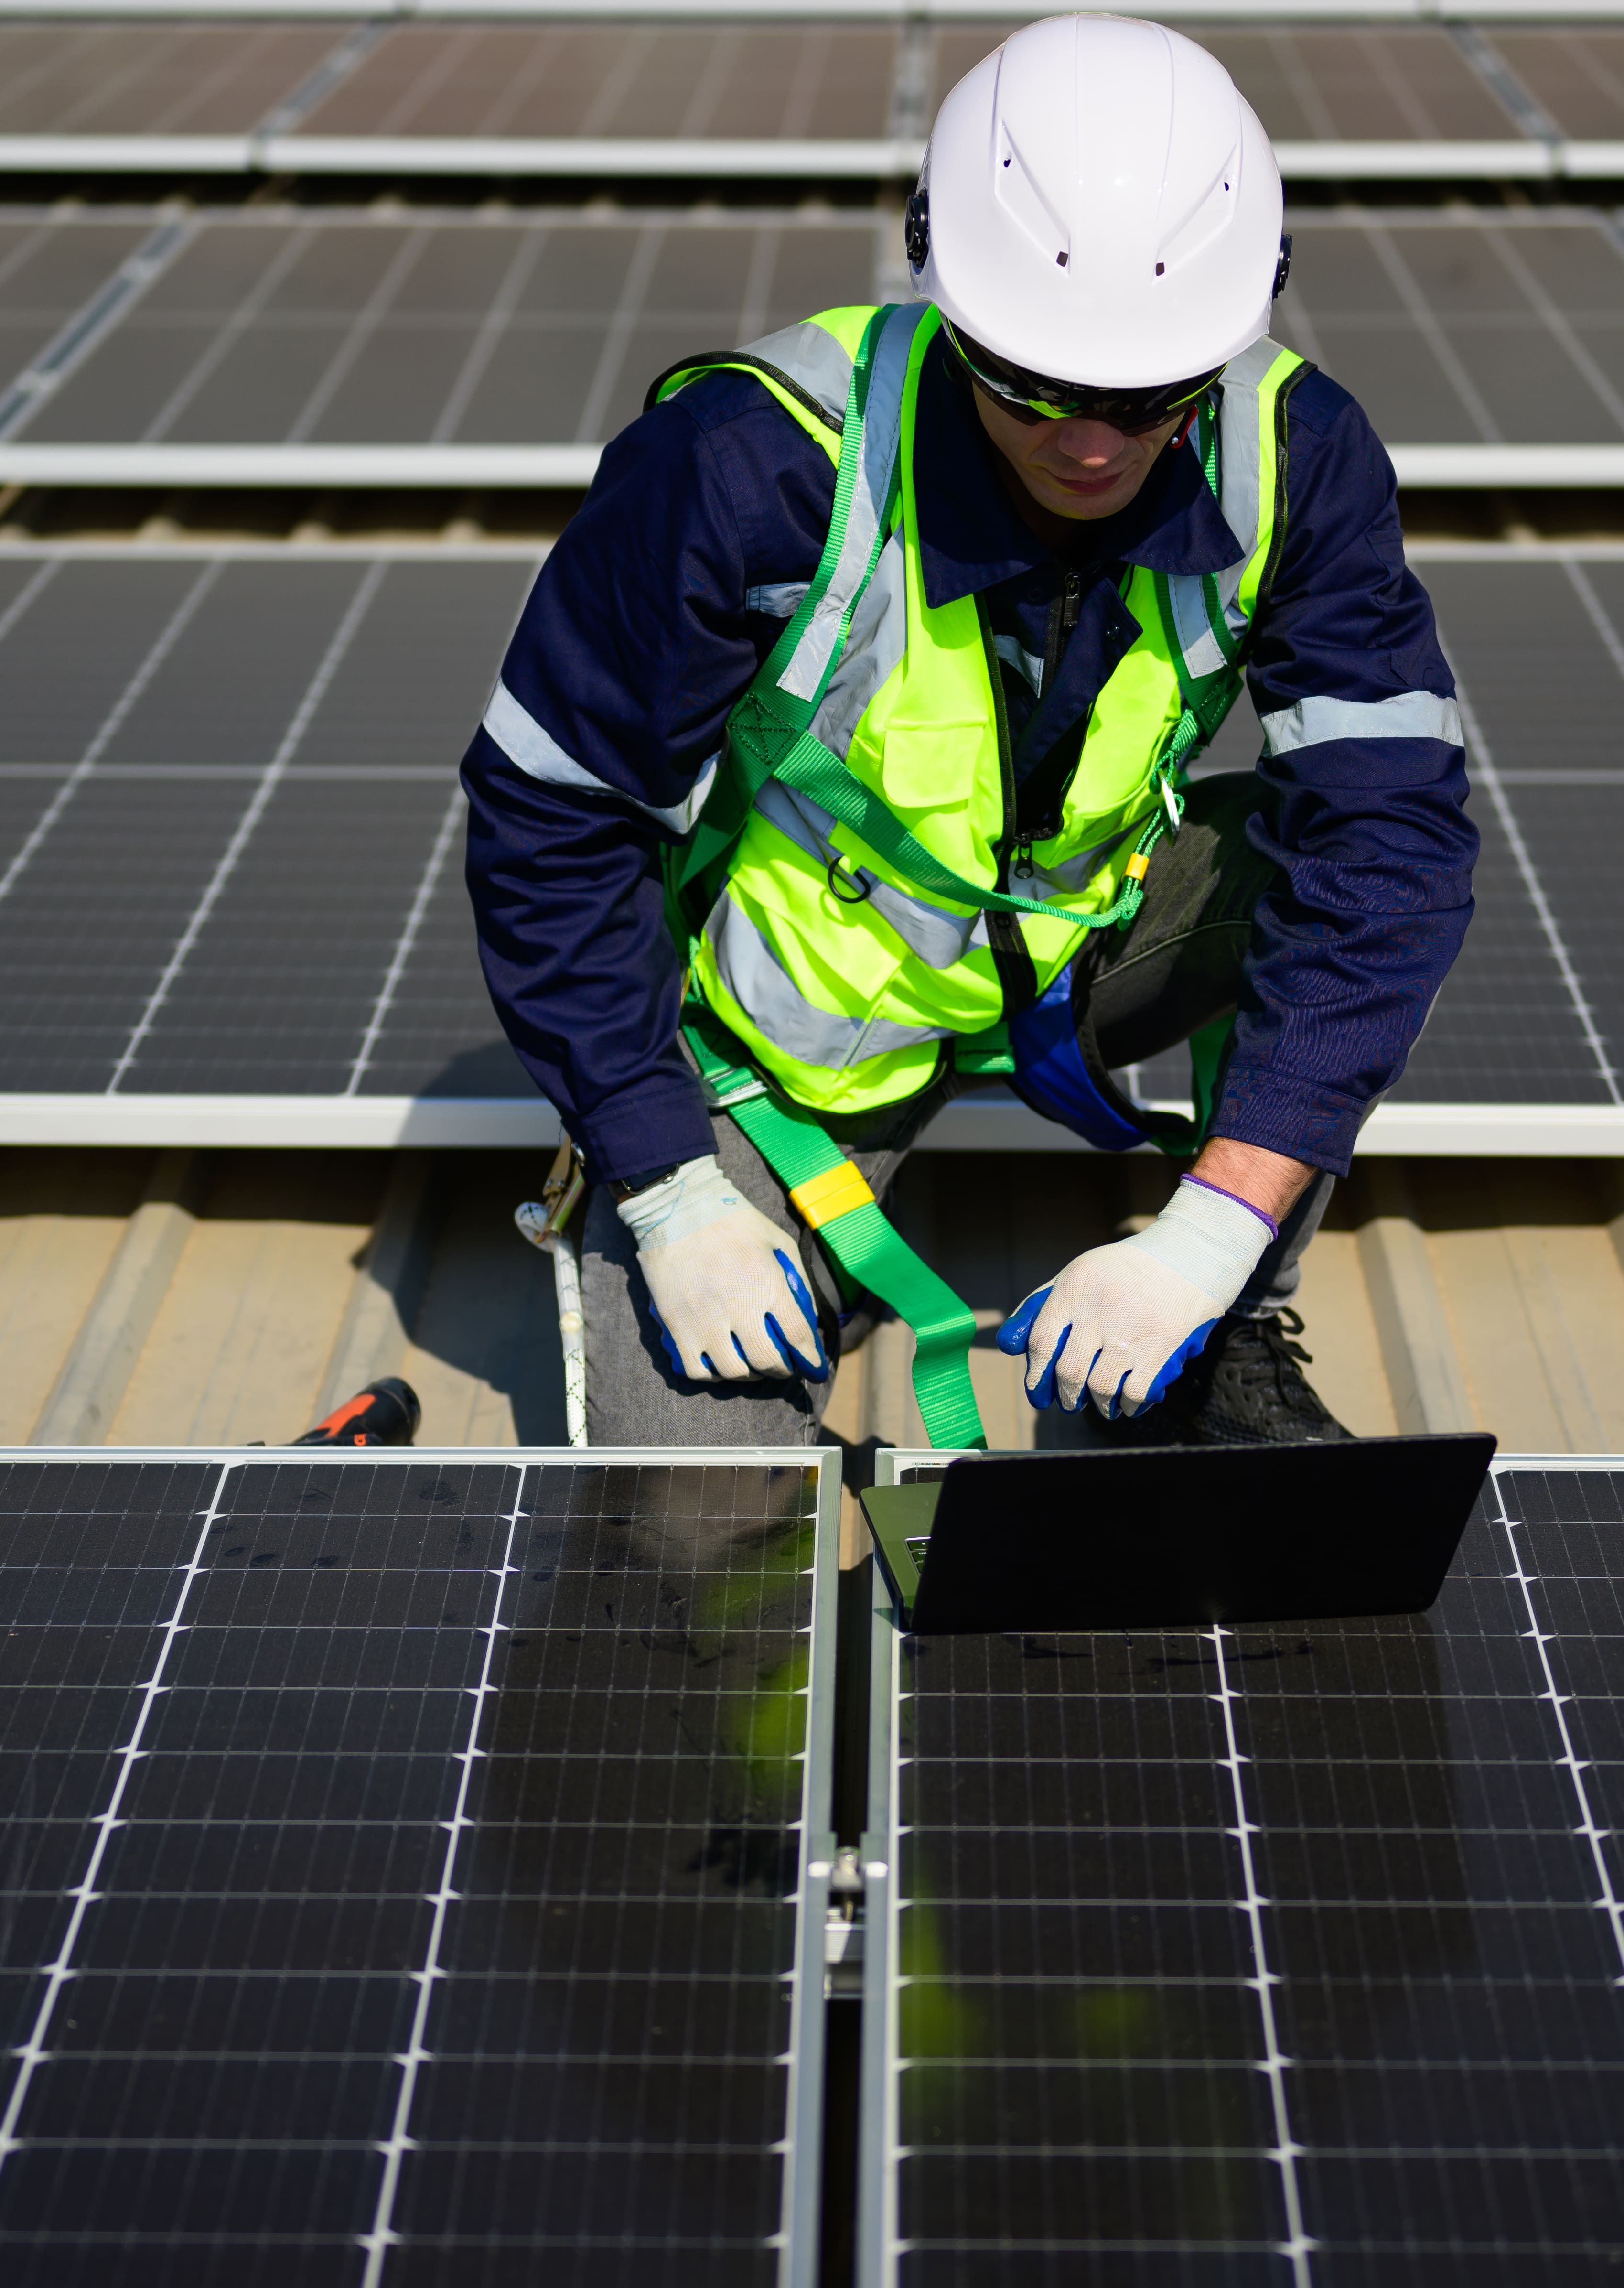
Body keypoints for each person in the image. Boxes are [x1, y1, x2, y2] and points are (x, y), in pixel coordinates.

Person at [463, 11, 1476, 1449]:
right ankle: (779, 1227)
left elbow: (1393, 841)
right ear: (944, 291)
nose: (1090, 444)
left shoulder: (1295, 458)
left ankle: (1232, 1322)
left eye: (1147, 399)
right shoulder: (752, 470)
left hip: (1084, 954)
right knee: (693, 1510)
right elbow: (554, 825)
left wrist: (1208, 1236)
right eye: (1035, 382)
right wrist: (670, 1184)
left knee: (1318, 876)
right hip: (792, 1039)